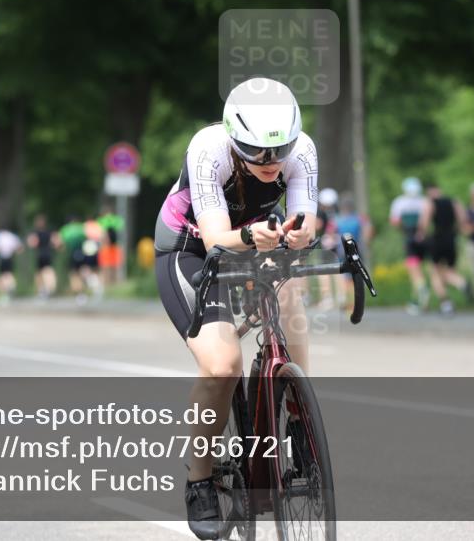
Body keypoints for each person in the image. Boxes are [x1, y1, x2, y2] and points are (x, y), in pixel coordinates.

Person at [153, 77, 318, 539]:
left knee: (290, 294)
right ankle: (200, 479)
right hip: (191, 247)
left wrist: (300, 233)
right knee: (223, 366)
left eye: (278, 151)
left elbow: (306, 216)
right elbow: (215, 238)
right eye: (256, 152)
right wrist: (249, 238)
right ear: (234, 138)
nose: (270, 163)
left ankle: (300, 423)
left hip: (254, 237)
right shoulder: (209, 148)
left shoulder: (302, 149)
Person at [417, 182, 473, 316]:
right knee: (449, 270)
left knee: (435, 272)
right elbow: (463, 219)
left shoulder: (430, 203)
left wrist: (421, 234)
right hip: (451, 239)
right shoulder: (454, 202)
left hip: (437, 239)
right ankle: (461, 283)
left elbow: (424, 222)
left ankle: (446, 303)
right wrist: (458, 231)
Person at [390, 177, 430, 314]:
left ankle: (422, 291)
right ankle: (416, 300)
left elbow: (395, 221)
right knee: (421, 270)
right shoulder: (424, 201)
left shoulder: (400, 202)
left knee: (414, 272)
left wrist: (403, 228)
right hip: (424, 239)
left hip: (409, 238)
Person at [333, 191, 373, 311]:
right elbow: (368, 230)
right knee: (356, 275)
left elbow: (331, 235)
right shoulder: (360, 218)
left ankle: (345, 298)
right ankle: (353, 300)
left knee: (343, 275)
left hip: (342, 250)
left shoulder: (337, 220)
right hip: (357, 249)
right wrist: (366, 242)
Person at [315, 187, 341, 311]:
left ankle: (327, 297)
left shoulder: (321, 212)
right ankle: (340, 296)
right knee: (337, 269)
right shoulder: (337, 212)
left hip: (325, 244)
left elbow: (317, 225)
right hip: (337, 244)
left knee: (323, 271)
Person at [27, 214, 60, 300]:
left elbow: (32, 243)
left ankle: (42, 290)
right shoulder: (50, 232)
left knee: (39, 273)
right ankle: (49, 288)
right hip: (48, 253)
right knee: (48, 270)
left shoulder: (35, 233)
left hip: (40, 254)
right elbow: (56, 243)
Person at [0, 228, 23, 306]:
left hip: (1, 258)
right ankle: (11, 286)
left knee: (1, 276)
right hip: (10, 257)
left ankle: (3, 294)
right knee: (9, 274)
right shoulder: (13, 236)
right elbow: (19, 248)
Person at [97, 205, 125, 286]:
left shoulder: (101, 220)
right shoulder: (116, 220)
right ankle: (113, 283)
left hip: (107, 246)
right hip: (114, 246)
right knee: (114, 266)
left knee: (107, 266)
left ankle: (108, 283)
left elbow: (101, 233)